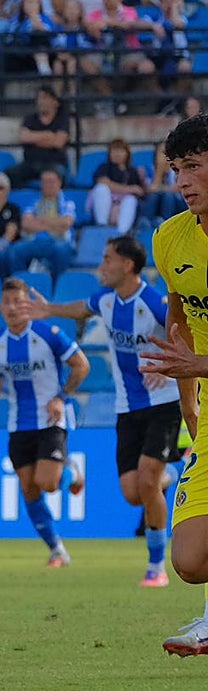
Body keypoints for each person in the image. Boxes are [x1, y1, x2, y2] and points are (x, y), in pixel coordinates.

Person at [28, 236, 179, 586]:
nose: (101, 265)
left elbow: (183, 330)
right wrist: (50, 309)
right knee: (132, 492)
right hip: (127, 407)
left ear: (128, 265)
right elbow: (82, 307)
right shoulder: (108, 302)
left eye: (108, 259)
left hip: (164, 404)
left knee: (146, 480)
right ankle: (166, 474)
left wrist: (167, 364)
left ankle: (156, 566)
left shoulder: (153, 302)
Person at [136, 113, 208, 655]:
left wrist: (198, 367)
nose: (182, 182)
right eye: (177, 170)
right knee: (189, 559)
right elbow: (180, 311)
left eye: (194, 168)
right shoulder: (170, 238)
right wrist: (186, 393)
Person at [0, 277, 90, 567]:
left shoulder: (49, 333)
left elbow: (82, 365)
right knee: (29, 488)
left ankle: (72, 471)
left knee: (48, 483)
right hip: (18, 424)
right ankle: (57, 549)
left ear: (28, 305)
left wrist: (61, 396)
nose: (13, 308)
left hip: (52, 419)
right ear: (0, 307)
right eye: (7, 302)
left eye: (18, 301)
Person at [6, 167, 76, 281]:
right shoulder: (34, 202)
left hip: (59, 241)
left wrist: (39, 219)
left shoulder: (67, 202)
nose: (48, 185)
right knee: (15, 250)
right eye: (45, 182)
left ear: (59, 183)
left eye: (51, 182)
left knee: (61, 250)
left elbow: (66, 223)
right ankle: (21, 286)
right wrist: (54, 224)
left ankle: (56, 287)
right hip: (34, 241)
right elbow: (26, 223)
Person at [4, 85, 70, 188]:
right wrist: (48, 135)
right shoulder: (30, 119)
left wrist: (33, 138)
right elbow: (23, 137)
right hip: (30, 163)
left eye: (45, 98)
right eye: (39, 98)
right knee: (9, 175)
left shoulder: (62, 120)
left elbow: (58, 143)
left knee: (57, 175)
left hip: (54, 163)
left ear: (55, 102)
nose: (41, 101)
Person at [88, 138, 148, 235]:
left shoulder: (133, 171)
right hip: (106, 207)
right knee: (101, 189)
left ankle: (122, 233)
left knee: (131, 199)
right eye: (114, 150)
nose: (117, 154)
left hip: (122, 209)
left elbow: (140, 191)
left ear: (127, 153)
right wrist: (129, 189)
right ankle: (102, 225)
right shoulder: (104, 167)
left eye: (120, 150)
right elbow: (102, 182)